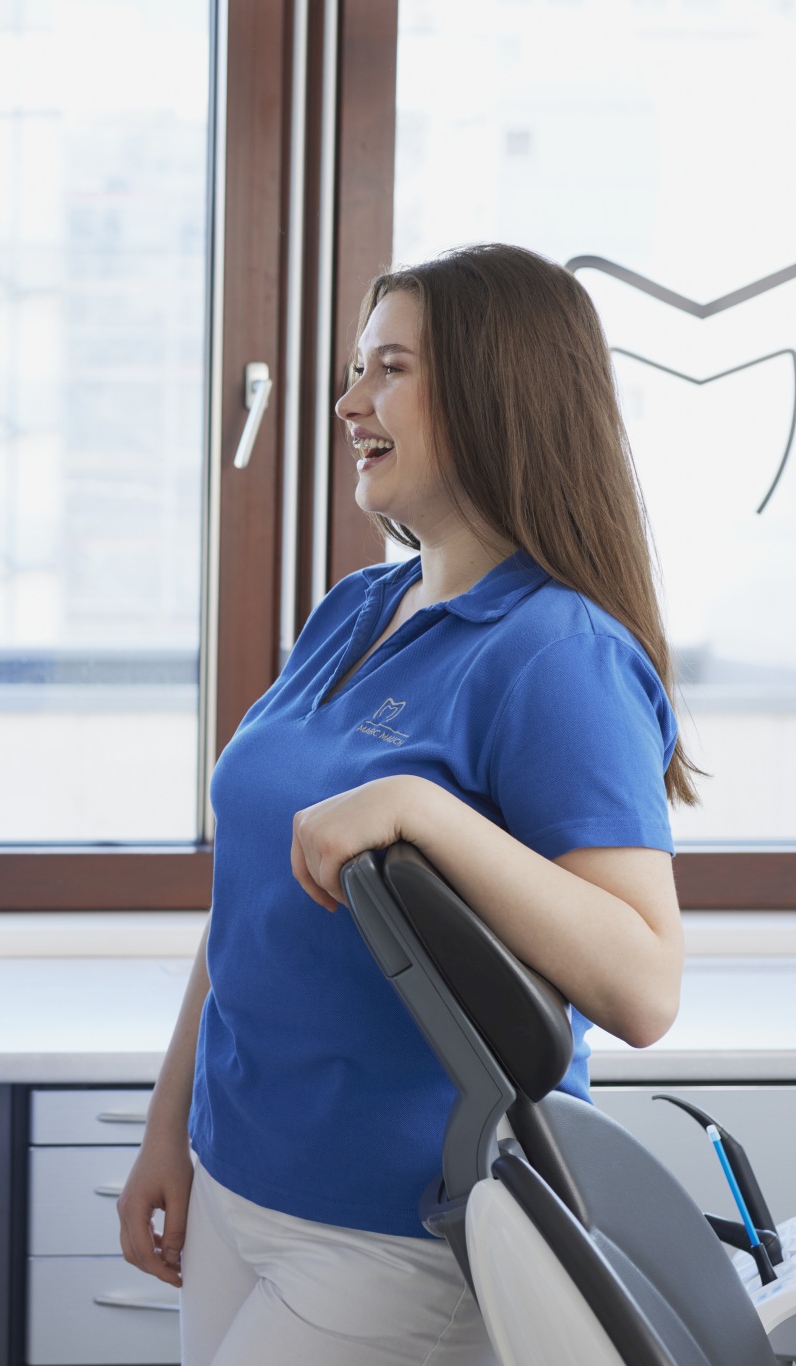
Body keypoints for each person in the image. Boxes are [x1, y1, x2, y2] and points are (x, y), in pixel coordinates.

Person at [116, 243, 695, 1366]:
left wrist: (420, 812)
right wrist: (165, 1129)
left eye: (386, 369)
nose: (346, 402)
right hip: (238, 1176)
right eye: (352, 368)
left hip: (396, 1231)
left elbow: (641, 984)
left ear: (494, 393)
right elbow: (248, 900)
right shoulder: (355, 607)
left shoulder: (557, 652)